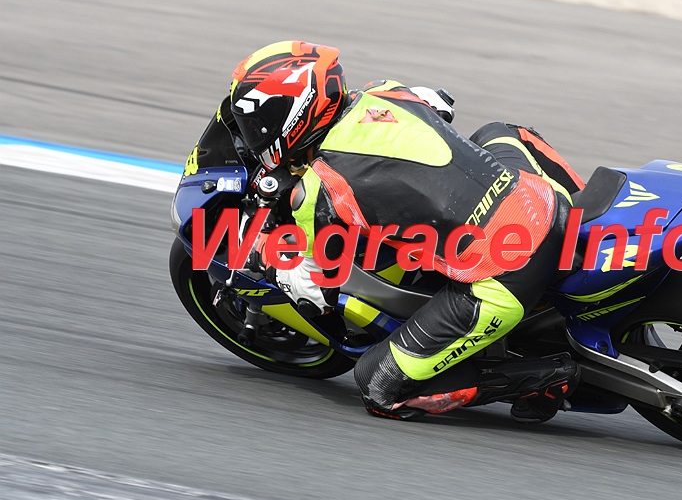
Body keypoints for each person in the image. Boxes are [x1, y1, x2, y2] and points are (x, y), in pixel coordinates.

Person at [211, 40, 586, 422]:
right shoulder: (384, 92)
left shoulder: (319, 190)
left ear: (290, 117)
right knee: (499, 132)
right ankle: (588, 214)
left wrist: (266, 257)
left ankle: (543, 376)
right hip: (542, 198)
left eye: (256, 125)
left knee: (377, 386)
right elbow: (439, 105)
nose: (253, 135)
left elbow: (316, 295)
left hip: (508, 270)